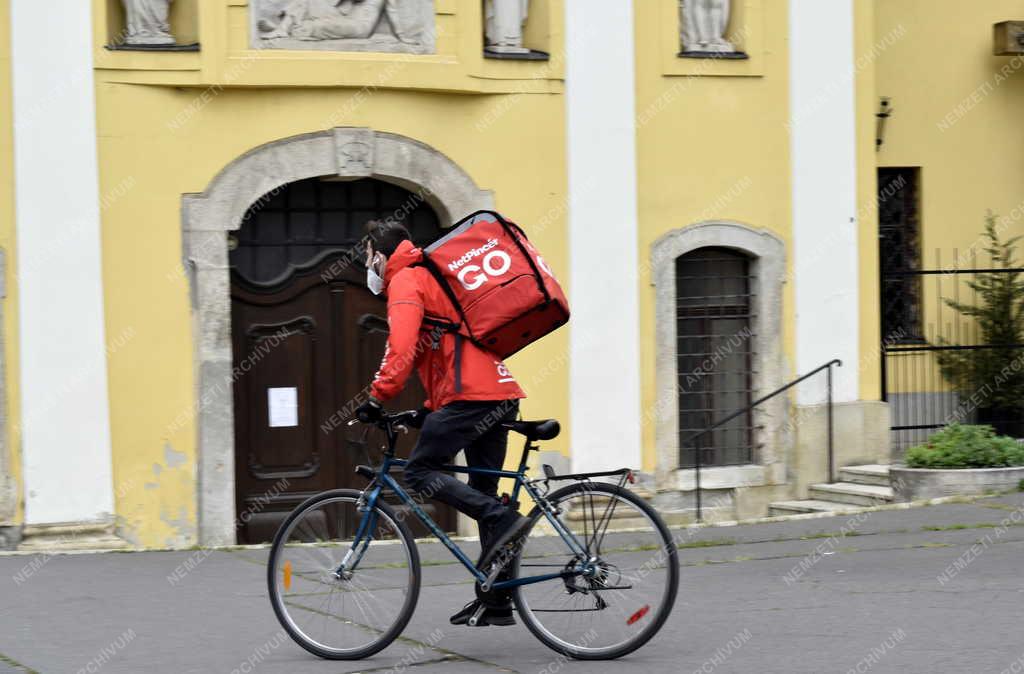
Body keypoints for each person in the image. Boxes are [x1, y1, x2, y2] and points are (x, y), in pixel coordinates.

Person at [354, 220, 532, 627]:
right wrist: (430, 409)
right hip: (497, 393)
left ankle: (506, 521)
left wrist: (377, 398)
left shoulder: (406, 281)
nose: (368, 267)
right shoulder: (431, 277)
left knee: (419, 472)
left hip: (471, 396)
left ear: (379, 256)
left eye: (367, 259)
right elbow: (440, 348)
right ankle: (497, 601)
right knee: (485, 492)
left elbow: (399, 350)